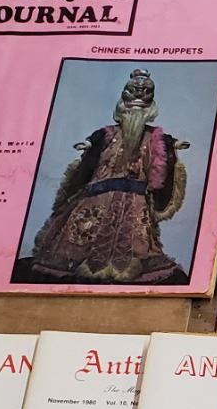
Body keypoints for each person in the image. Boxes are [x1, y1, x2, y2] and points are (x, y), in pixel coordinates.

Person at [21, 68, 190, 285]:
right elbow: (95, 141)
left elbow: (165, 144)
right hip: (99, 193)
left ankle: (127, 265)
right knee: (85, 227)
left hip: (135, 196)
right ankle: (74, 261)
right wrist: (88, 145)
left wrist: (174, 145)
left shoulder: (153, 137)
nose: (138, 95)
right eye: (134, 91)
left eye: (144, 92)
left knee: (134, 235)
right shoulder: (108, 133)